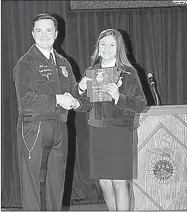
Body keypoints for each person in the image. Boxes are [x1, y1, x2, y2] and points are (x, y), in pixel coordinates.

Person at [13, 13, 88, 211]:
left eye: (48, 30)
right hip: (35, 128)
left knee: (56, 185)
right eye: (39, 30)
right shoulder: (25, 63)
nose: (44, 35)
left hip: (60, 126)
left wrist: (80, 89)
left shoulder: (63, 62)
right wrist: (57, 99)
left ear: (56, 34)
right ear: (32, 34)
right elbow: (26, 101)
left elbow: (72, 91)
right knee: (34, 186)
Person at [77, 29, 147, 211]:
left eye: (111, 44)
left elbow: (140, 104)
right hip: (97, 131)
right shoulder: (91, 72)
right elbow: (85, 105)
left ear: (119, 49)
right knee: (104, 183)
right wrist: (80, 89)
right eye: (103, 44)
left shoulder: (129, 73)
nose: (107, 48)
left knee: (120, 183)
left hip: (119, 132)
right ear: (98, 48)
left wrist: (118, 97)